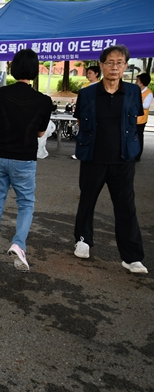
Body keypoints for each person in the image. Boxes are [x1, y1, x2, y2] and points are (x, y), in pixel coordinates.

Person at [72, 45, 147, 274]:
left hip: (123, 160)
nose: (115, 67)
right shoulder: (87, 93)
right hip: (93, 158)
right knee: (87, 201)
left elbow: (134, 121)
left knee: (126, 207)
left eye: (120, 63)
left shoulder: (133, 92)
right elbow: (80, 121)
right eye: (110, 62)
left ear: (126, 66)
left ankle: (132, 257)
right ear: (102, 65)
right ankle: (83, 240)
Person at [0, 49, 52, 271]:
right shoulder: (44, 101)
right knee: (26, 203)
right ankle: (18, 243)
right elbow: (41, 133)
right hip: (25, 159)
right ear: (34, 70)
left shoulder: (1, 94)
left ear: (13, 68)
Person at [135, 73, 152, 162]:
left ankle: (137, 156)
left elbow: (146, 105)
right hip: (133, 118)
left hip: (141, 120)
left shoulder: (148, 93)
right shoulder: (136, 91)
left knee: (139, 137)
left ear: (142, 82)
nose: (136, 82)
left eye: (137, 81)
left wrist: (135, 103)